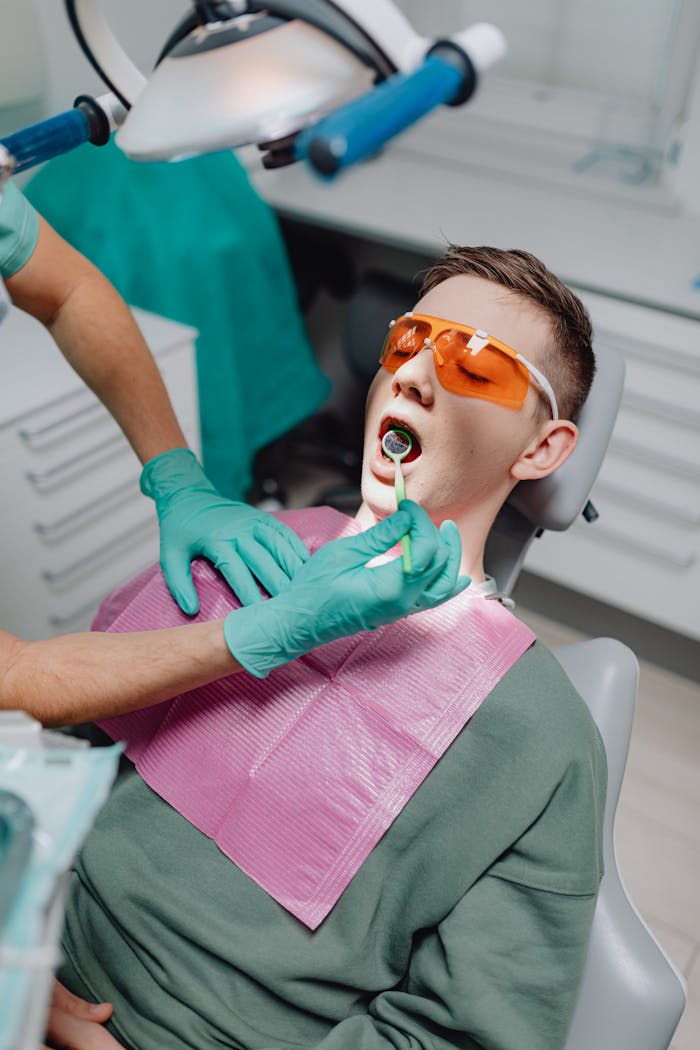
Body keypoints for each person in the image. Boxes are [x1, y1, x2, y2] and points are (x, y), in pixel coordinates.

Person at [49, 246, 605, 1050]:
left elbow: (462, 1038)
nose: (414, 375)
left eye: (476, 365)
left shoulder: (539, 735)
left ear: (542, 449)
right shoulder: (252, 546)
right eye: (407, 341)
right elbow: (56, 719)